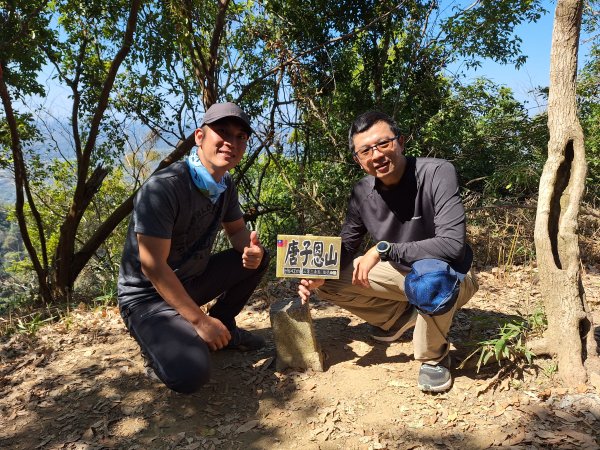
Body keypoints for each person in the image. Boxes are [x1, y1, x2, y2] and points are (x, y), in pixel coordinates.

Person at [298, 111, 478, 393]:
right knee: (330, 280)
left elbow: (452, 244)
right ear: (358, 160)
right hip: (400, 275)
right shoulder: (362, 192)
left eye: (384, 144)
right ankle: (399, 318)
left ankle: (434, 357)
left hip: (449, 275)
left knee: (430, 278)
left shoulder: (436, 172)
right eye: (366, 150)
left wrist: (384, 249)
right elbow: (347, 245)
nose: (377, 155)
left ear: (401, 142)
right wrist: (316, 273)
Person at [118, 102, 269, 394]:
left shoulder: (224, 184)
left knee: (261, 259)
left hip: (189, 282)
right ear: (200, 136)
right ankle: (158, 346)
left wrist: (250, 250)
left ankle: (224, 329)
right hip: (147, 298)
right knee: (190, 375)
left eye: (241, 137)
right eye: (222, 132)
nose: (232, 142)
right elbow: (153, 266)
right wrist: (198, 320)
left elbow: (237, 231)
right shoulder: (165, 187)